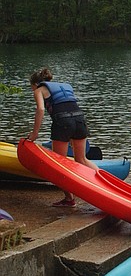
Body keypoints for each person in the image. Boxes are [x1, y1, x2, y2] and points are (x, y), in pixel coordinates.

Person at [27, 67, 99, 207]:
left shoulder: (39, 90)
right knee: (82, 159)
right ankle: (106, 183)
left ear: (35, 84)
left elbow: (41, 109)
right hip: (80, 120)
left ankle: (69, 199)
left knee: (58, 164)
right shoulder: (64, 86)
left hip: (63, 122)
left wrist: (35, 134)